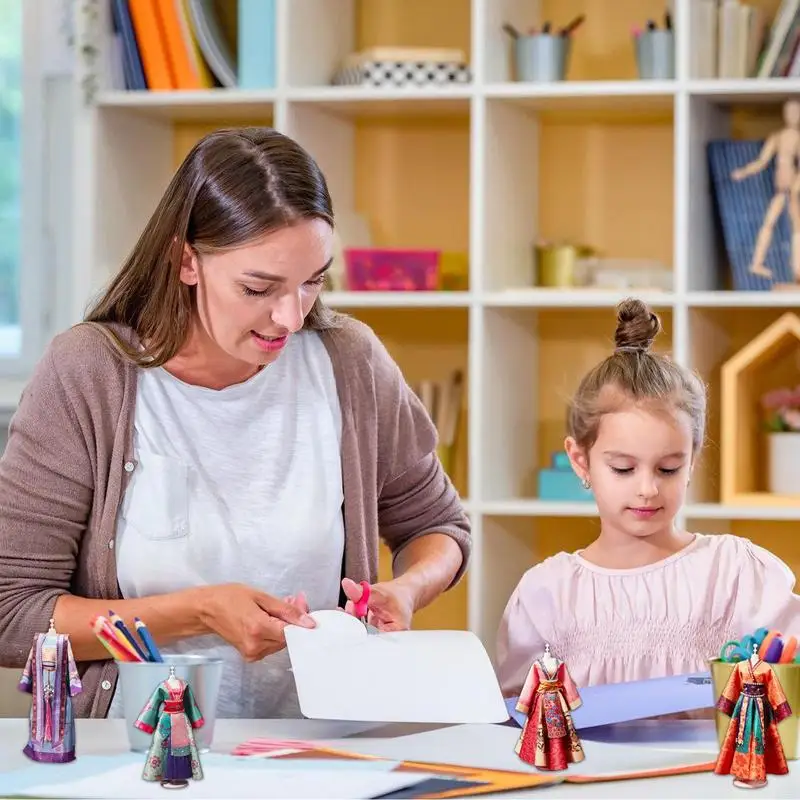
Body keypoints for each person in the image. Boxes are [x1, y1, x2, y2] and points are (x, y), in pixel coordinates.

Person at [0, 127, 471, 719]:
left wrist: (405, 591)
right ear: (187, 260)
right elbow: (12, 613)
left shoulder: (349, 361)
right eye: (258, 288)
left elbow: (440, 528)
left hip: (325, 751)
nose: (290, 317)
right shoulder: (90, 375)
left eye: (314, 281)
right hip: (141, 756)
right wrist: (196, 613)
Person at [495, 298, 800, 696]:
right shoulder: (547, 594)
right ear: (580, 460)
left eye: (668, 468)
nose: (647, 488)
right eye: (623, 468)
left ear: (693, 460)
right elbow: (517, 715)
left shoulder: (735, 574)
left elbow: (788, 684)